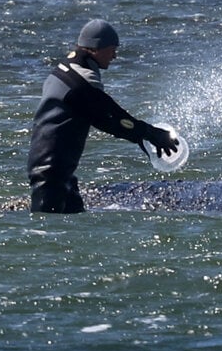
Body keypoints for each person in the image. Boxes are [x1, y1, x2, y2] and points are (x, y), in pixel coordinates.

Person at [26, 19, 179, 214]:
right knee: (46, 233)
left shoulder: (66, 68)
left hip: (61, 173)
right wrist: (150, 134)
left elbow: (107, 117)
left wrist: (141, 134)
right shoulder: (80, 82)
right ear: (95, 49)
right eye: (112, 49)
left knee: (71, 228)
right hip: (49, 175)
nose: (115, 56)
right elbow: (111, 117)